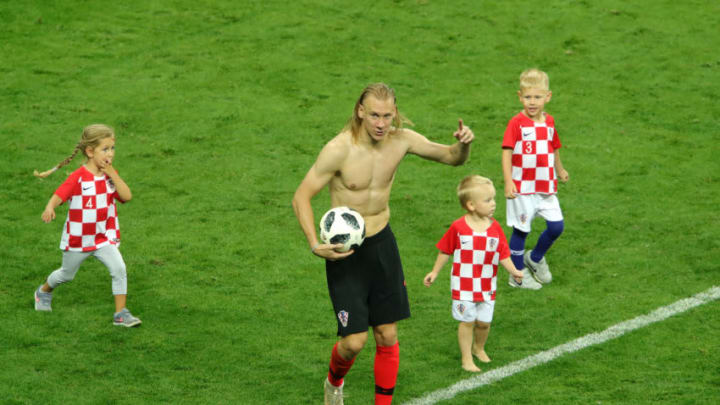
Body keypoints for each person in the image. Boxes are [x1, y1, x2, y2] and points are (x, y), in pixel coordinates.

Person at [292, 83, 474, 405]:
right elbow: (302, 196)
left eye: (387, 116)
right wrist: (313, 244)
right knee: (354, 342)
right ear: (361, 111)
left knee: (387, 335)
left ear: (394, 114)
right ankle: (334, 382)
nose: (380, 123)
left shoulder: (401, 141)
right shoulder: (339, 149)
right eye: (374, 115)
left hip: (381, 244)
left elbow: (451, 157)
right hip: (345, 254)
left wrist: (463, 146)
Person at [33, 124, 141, 327]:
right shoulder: (78, 177)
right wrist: (50, 207)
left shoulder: (110, 176)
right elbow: (59, 194)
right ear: (90, 152)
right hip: (79, 239)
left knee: (119, 269)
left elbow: (126, 196)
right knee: (66, 274)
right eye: (105, 149)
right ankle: (43, 292)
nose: (110, 154)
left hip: (103, 237)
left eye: (112, 148)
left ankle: (121, 314)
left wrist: (113, 174)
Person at [423, 175, 523, 372]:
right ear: (471, 205)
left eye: (493, 198)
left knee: (484, 323)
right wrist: (435, 272)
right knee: (467, 322)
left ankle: (479, 348)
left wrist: (514, 271)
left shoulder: (495, 228)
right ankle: (466, 359)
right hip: (463, 286)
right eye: (488, 200)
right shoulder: (458, 227)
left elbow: (503, 254)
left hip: (487, 284)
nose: (494, 204)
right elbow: (445, 250)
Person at [502, 68, 569, 290]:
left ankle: (536, 257)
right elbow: (506, 152)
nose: (532, 102)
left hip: (545, 186)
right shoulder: (516, 123)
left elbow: (554, 148)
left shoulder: (549, 122)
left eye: (537, 97)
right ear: (519, 96)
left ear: (547, 97)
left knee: (556, 227)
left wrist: (560, 170)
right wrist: (509, 181)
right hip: (522, 187)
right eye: (528, 97)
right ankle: (517, 276)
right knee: (521, 230)